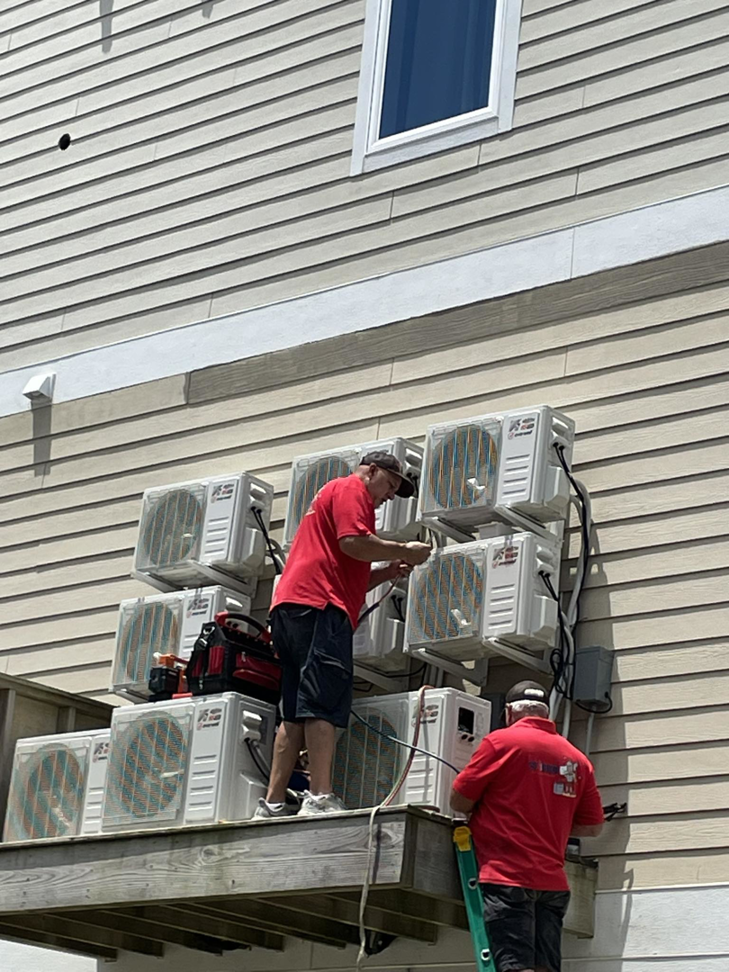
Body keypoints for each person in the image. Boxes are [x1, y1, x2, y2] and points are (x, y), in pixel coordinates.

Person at [254, 452, 432, 819]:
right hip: (320, 609)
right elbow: (353, 542)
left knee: (295, 711)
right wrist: (404, 549)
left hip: (291, 608)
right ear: (372, 471)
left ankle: (272, 803)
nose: (389, 496)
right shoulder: (353, 490)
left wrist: (388, 571)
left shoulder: (330, 496)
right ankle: (320, 796)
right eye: (390, 485)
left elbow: (349, 570)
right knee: (322, 701)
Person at [451, 680, 604, 972]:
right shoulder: (577, 759)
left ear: (509, 712)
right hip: (553, 884)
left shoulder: (501, 742)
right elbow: (592, 827)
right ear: (546, 715)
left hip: (506, 875)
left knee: (515, 966)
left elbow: (459, 800)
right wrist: (550, 819)